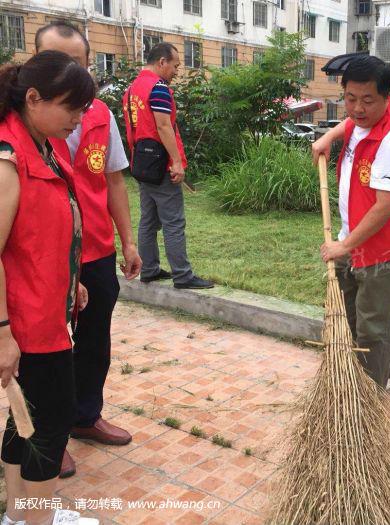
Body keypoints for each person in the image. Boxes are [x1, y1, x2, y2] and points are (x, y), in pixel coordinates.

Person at [34, 20, 141, 479]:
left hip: (94, 250)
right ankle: (45, 438)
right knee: (45, 352)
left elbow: (113, 179)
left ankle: (84, 415)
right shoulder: (25, 124)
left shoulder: (100, 115)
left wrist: (128, 239)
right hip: (44, 256)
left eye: (79, 64)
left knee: (94, 341)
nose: (72, 75)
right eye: (59, 64)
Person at [0, 51, 98, 525]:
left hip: (46, 309)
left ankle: (19, 516)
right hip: (27, 322)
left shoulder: (44, 144)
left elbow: (40, 233)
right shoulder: (7, 158)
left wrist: (69, 281)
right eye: (71, 108)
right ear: (34, 98)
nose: (78, 120)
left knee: (26, 417)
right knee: (50, 425)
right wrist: (2, 333)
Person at [312, 56, 390, 388]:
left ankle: (370, 392)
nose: (357, 108)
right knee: (350, 314)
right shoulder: (361, 120)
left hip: (383, 248)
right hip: (352, 236)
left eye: (367, 100)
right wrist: (329, 137)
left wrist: (342, 246)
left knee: (372, 325)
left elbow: (386, 207)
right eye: (350, 98)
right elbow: (349, 122)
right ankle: (389, 369)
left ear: (386, 98)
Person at [122, 43, 213, 290]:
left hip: (141, 164)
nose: (176, 72)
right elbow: (163, 127)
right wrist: (176, 162)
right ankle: (182, 275)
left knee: (148, 220)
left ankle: (149, 270)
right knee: (173, 222)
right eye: (175, 66)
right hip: (161, 165)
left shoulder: (132, 89)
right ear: (162, 62)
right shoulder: (158, 88)